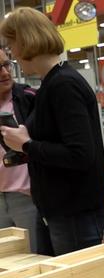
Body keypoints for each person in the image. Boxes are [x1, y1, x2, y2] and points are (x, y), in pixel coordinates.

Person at [0, 8, 104, 256]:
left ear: (25, 40)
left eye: (12, 44)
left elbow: (80, 154)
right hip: (60, 209)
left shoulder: (63, 85)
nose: (13, 53)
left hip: (73, 210)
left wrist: (27, 145)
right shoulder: (53, 83)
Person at [0, 48, 39, 252]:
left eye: (7, 64)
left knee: (34, 259)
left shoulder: (29, 98)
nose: (6, 73)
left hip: (27, 197)